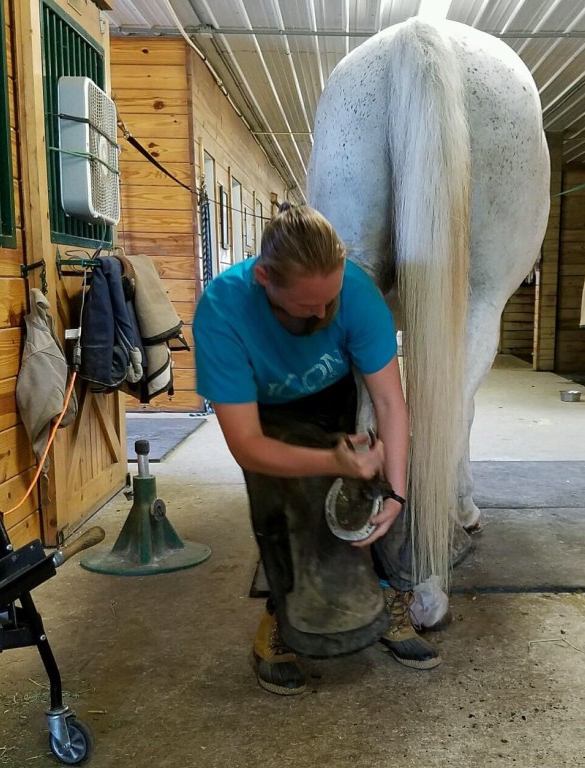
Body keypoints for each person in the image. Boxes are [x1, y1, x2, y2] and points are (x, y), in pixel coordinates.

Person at [193, 203, 441, 696]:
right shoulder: (222, 312)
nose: (324, 313)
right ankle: (279, 628)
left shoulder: (355, 294)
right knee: (287, 511)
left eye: (331, 300)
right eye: (308, 305)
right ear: (265, 277)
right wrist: (330, 462)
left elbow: (392, 403)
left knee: (382, 490)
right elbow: (247, 445)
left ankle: (391, 603)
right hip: (263, 414)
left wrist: (395, 493)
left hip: (332, 397)